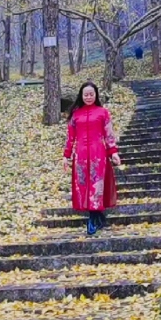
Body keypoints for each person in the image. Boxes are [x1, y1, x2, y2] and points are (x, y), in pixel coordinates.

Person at [63, 81, 121, 235]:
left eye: (91, 94)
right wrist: (66, 156)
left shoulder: (103, 112)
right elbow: (70, 137)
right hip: (81, 154)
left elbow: (109, 134)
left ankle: (93, 218)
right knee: (83, 184)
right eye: (86, 94)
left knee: (97, 184)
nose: (88, 97)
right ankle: (96, 216)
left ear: (96, 95)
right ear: (81, 96)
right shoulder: (75, 115)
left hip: (98, 153)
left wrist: (113, 152)